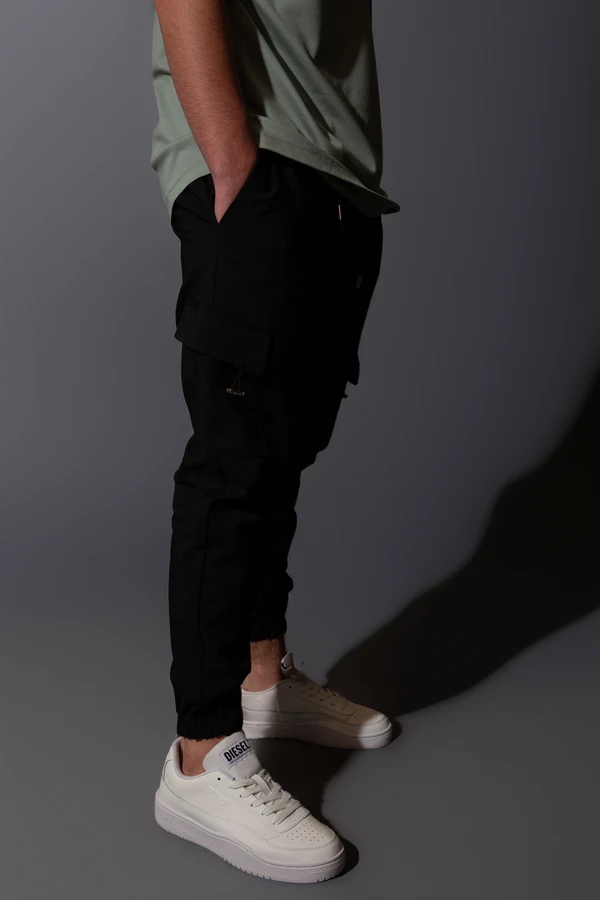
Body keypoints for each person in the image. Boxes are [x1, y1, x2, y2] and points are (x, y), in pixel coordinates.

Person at [150, 0, 400, 883]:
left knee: (281, 446)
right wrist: (232, 161)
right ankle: (201, 753)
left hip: (335, 176)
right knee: (233, 461)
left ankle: (263, 681)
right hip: (261, 161)